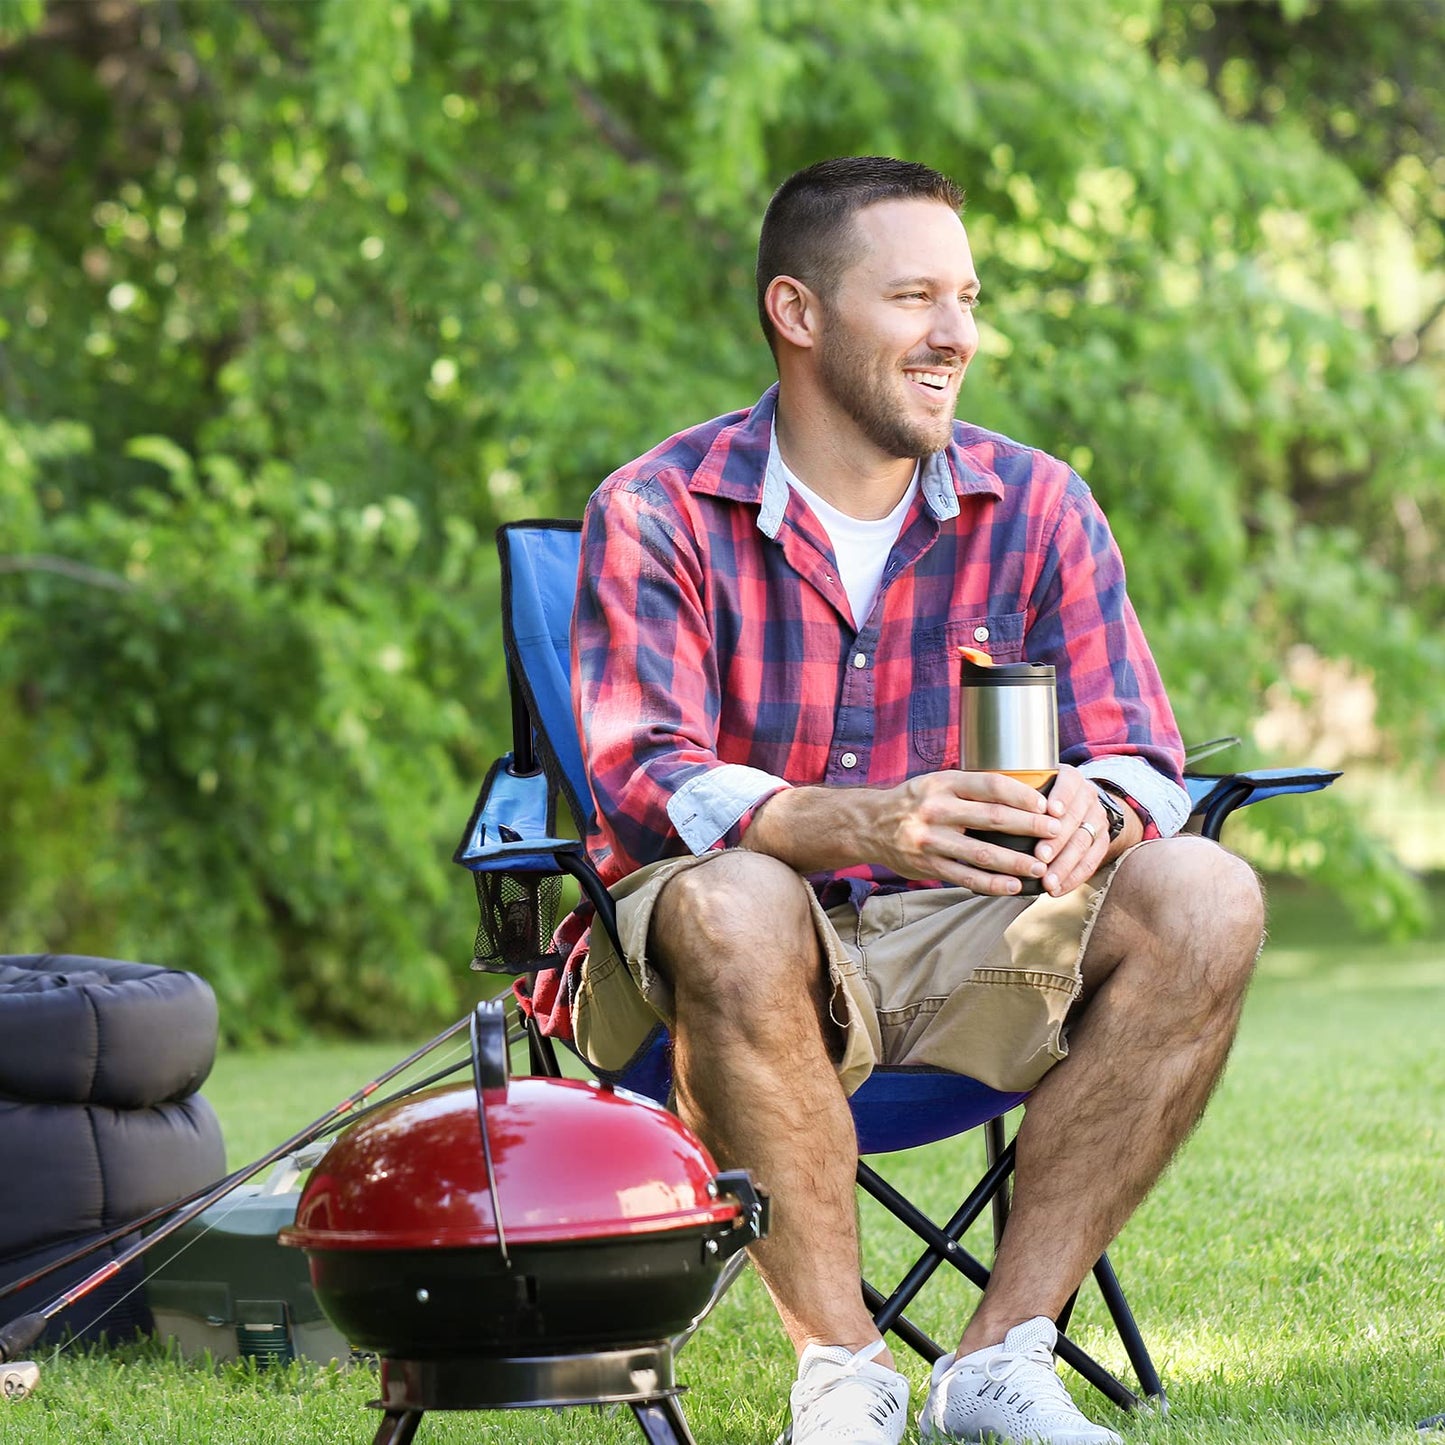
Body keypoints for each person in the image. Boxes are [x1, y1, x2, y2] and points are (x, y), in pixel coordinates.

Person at [535, 156, 1265, 1445]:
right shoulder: (658, 509)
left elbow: (1144, 752)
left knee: (1206, 890)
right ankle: (843, 1374)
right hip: (716, 971)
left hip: (970, 945)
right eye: (915, 297)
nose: (956, 335)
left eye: (967, 299)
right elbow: (641, 774)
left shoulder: (1037, 504)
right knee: (737, 901)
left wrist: (1100, 805)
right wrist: (863, 820)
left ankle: (1001, 1359)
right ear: (798, 312)